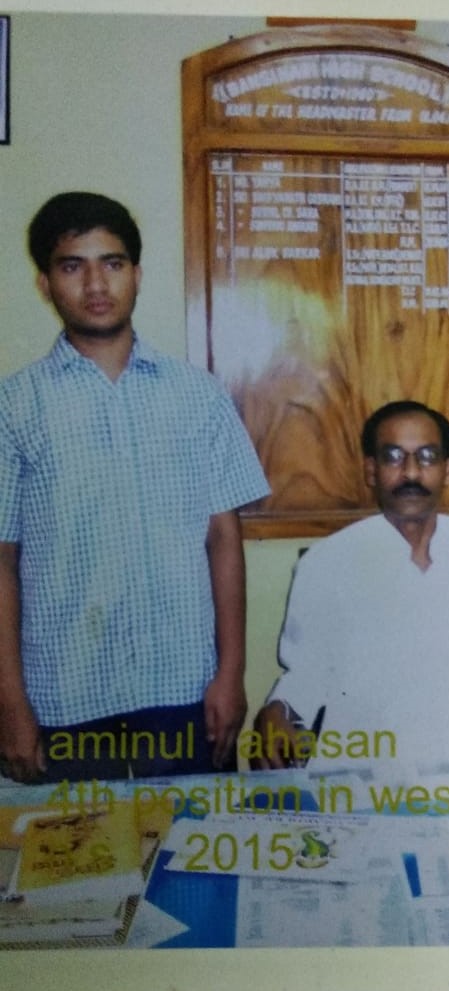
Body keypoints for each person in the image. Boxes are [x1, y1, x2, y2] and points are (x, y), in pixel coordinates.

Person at [0, 191, 270, 783]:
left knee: (193, 840)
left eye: (113, 263)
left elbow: (223, 538)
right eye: (73, 266)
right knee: (69, 846)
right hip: (61, 699)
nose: (96, 284)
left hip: (184, 693)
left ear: (138, 274)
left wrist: (231, 674)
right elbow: (2, 562)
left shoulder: (198, 396)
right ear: (45, 283)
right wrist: (10, 703)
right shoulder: (13, 407)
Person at [251, 400, 449, 771]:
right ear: (371, 471)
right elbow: (306, 674)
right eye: (393, 457)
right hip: (365, 775)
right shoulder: (328, 563)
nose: (411, 473)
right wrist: (279, 710)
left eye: (427, 457)